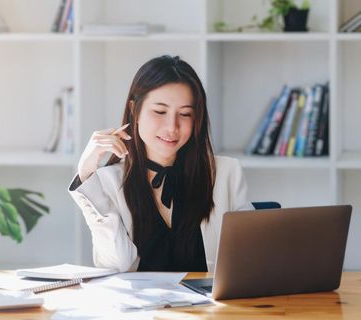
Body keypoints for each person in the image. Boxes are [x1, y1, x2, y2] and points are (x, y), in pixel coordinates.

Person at [69, 55, 253, 273]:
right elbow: (116, 268)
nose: (172, 127)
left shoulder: (225, 174)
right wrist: (86, 173)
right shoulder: (107, 182)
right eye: (160, 111)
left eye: (185, 114)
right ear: (134, 110)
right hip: (141, 307)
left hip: (209, 307)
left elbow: (251, 257)